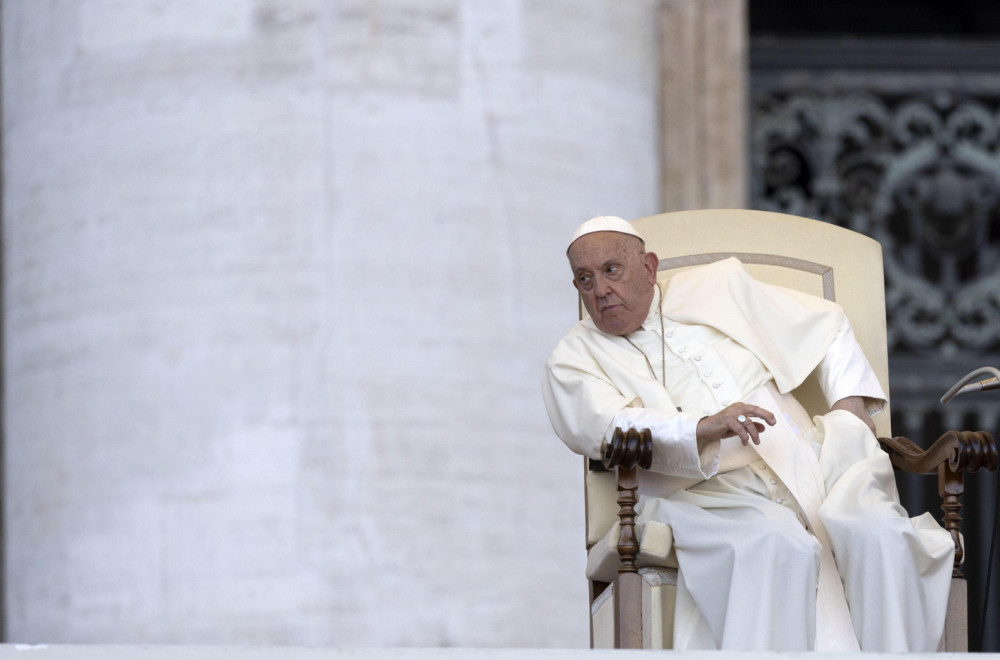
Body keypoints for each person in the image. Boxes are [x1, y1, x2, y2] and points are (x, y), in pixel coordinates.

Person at [541, 215, 954, 652]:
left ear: (648, 266)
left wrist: (850, 405)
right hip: (705, 494)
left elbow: (827, 324)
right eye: (584, 279)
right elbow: (608, 427)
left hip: (810, 458)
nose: (600, 290)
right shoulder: (571, 357)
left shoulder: (716, 286)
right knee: (774, 542)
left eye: (611, 270)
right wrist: (702, 427)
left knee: (881, 536)